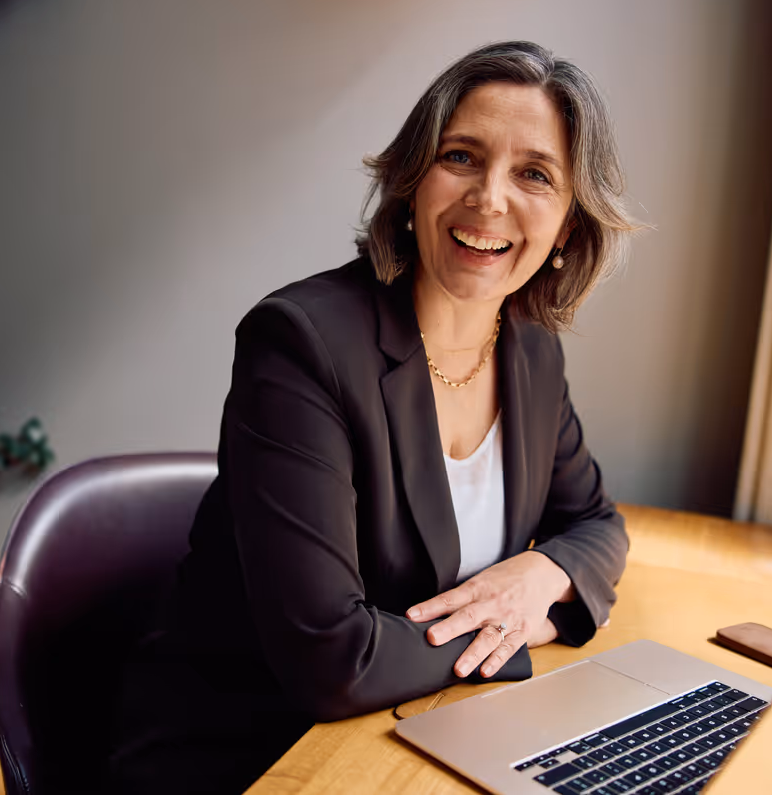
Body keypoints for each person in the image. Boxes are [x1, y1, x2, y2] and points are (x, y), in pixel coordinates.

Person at [108, 40, 637, 794]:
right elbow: (332, 660)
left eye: (533, 174)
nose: (489, 199)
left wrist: (544, 571)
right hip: (254, 759)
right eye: (461, 156)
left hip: (419, 732)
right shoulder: (302, 344)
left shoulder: (530, 352)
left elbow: (596, 527)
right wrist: (526, 628)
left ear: (568, 227)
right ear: (411, 181)